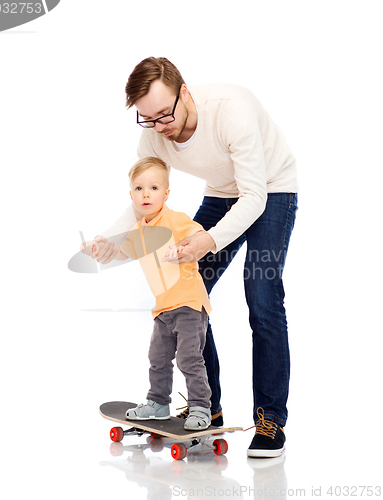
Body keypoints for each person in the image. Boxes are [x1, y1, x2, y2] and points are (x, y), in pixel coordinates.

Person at [88, 57, 298, 457]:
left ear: (184, 91)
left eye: (165, 113)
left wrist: (209, 241)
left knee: (262, 297)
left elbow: (253, 197)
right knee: (188, 294)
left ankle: (271, 420)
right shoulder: (153, 134)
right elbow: (143, 200)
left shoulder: (229, 110)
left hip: (271, 191)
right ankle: (208, 407)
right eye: (147, 118)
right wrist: (110, 239)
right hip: (222, 194)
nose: (160, 126)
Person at [82, 157, 213, 430]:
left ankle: (201, 408)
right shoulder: (137, 231)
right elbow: (118, 252)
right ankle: (158, 403)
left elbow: (199, 234)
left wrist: (185, 247)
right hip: (163, 308)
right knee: (158, 358)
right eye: (139, 189)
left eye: (153, 188)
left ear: (166, 194)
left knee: (189, 358)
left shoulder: (175, 220)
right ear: (131, 195)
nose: (146, 194)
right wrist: (96, 249)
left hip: (189, 303)